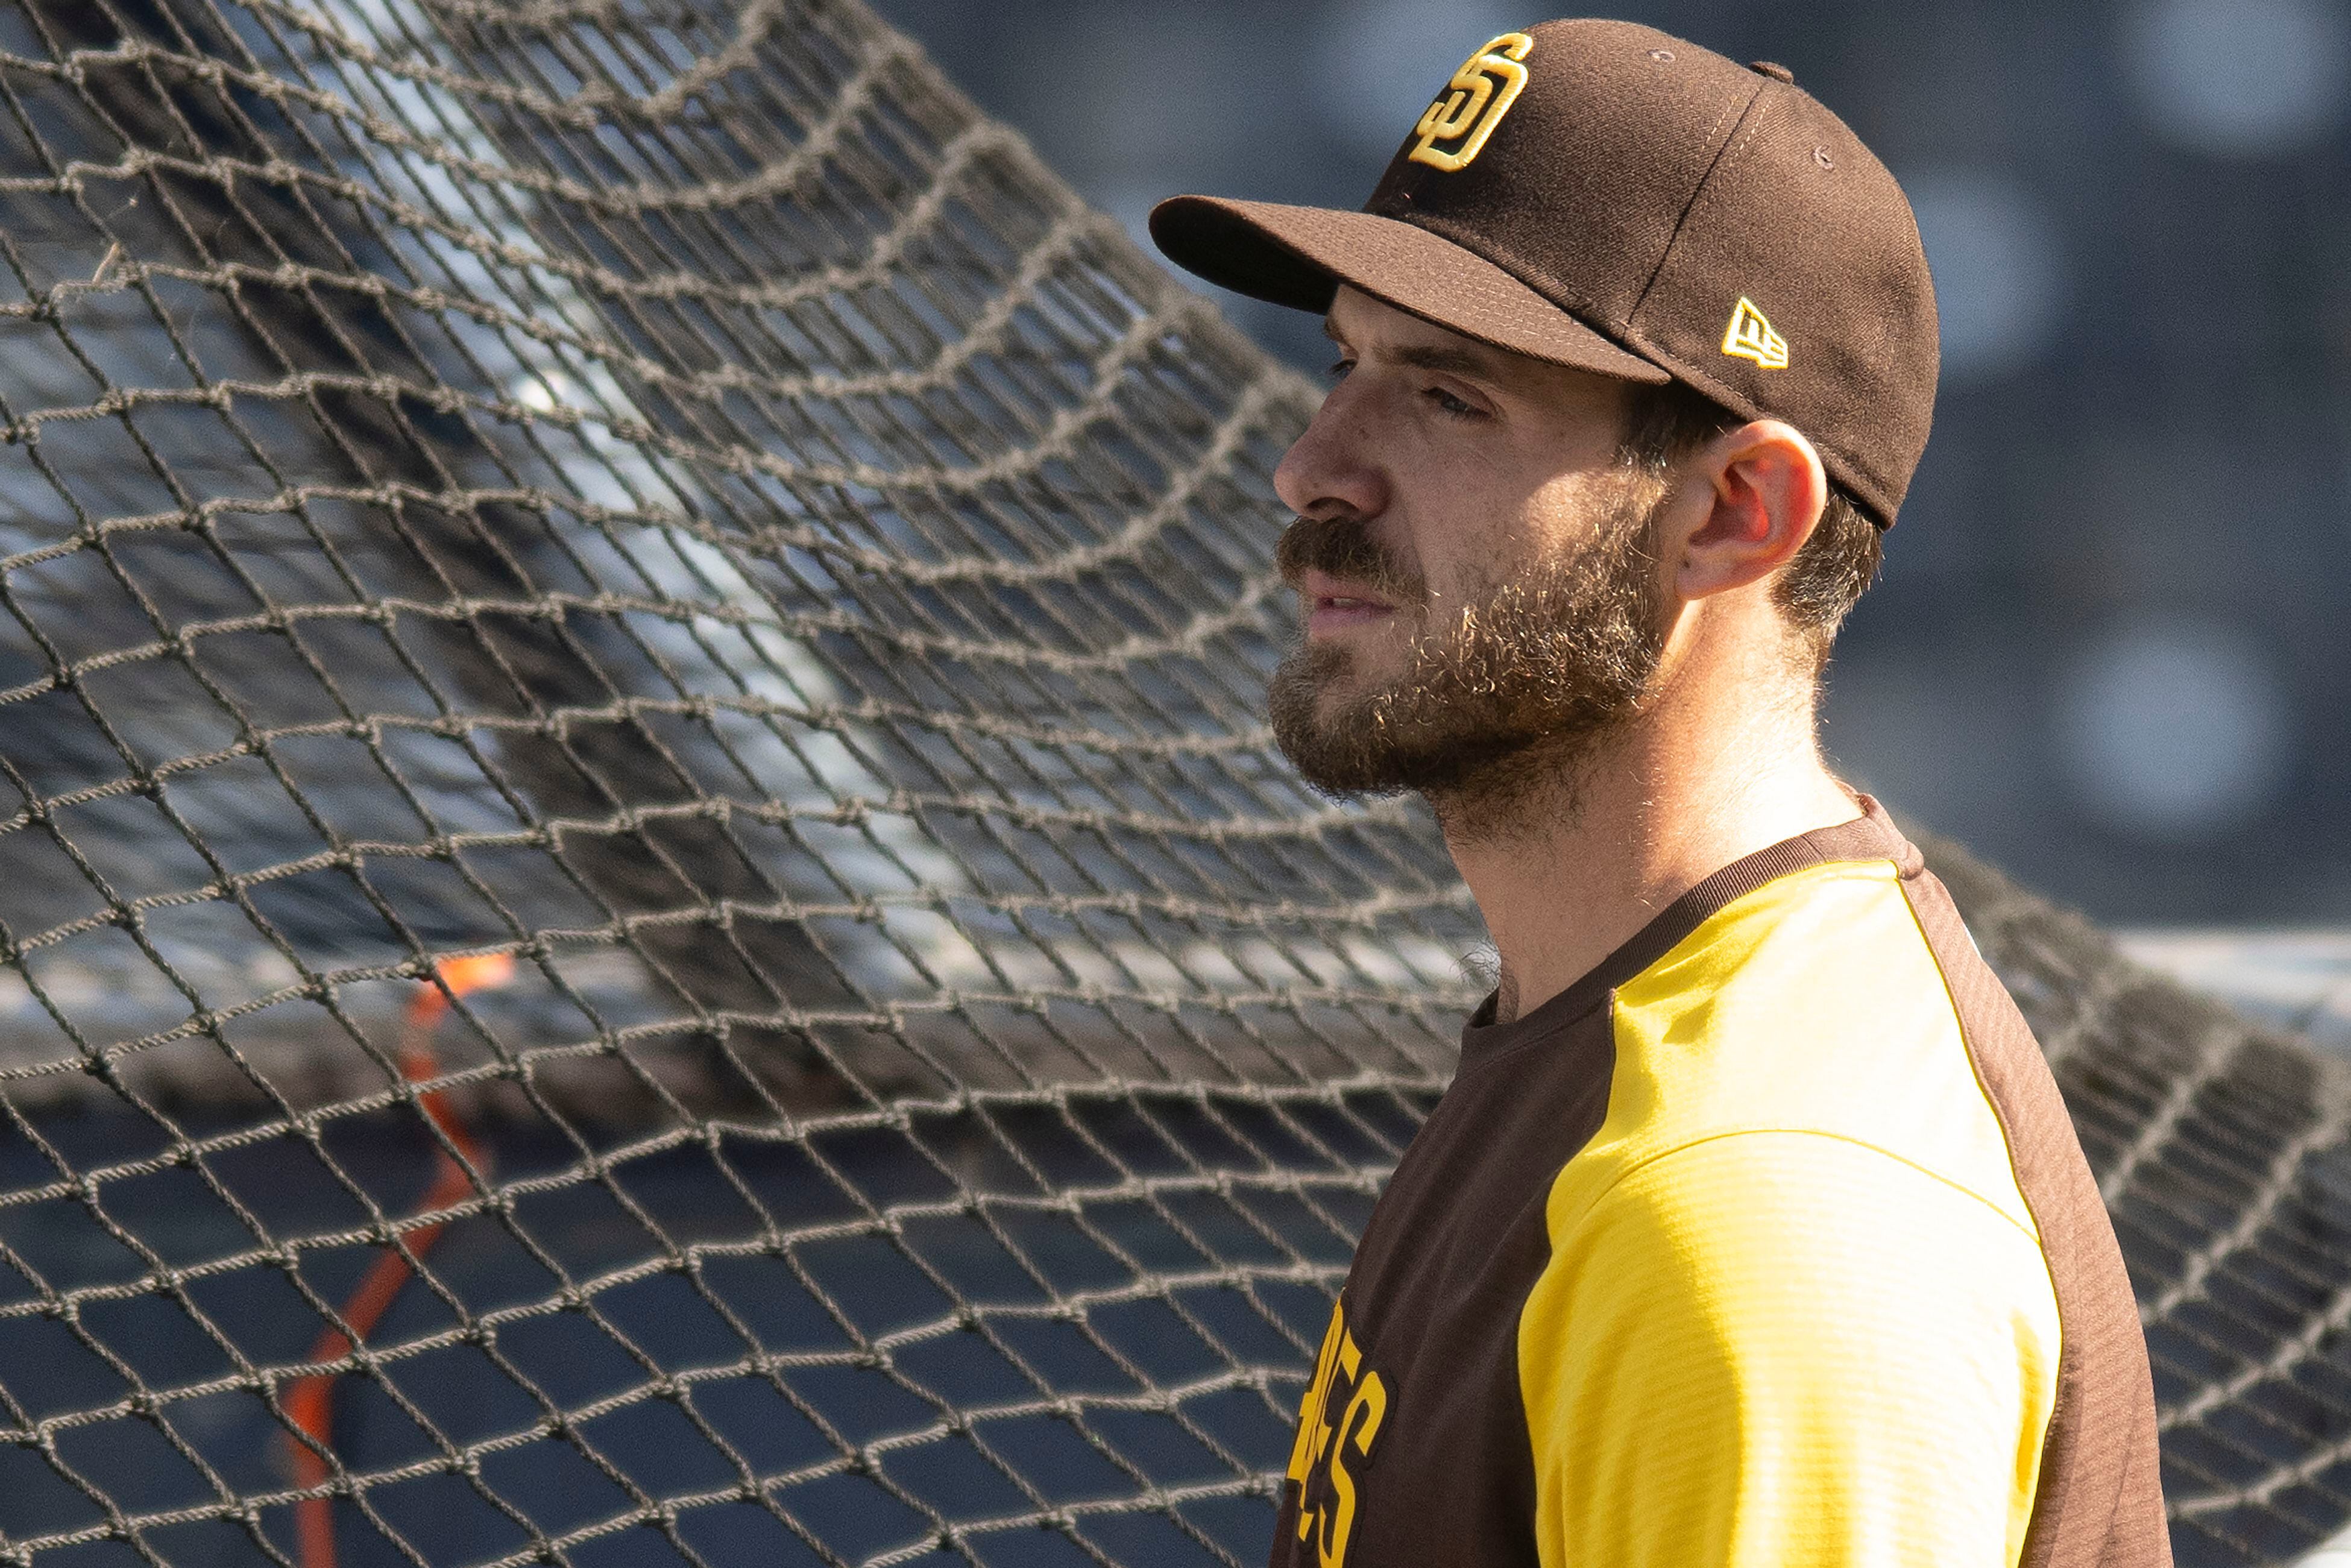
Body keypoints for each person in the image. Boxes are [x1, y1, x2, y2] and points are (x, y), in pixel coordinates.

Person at [1148, 18, 2168, 1568]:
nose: (1312, 466)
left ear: (1735, 513)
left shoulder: (1755, 1211)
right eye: (1346, 363)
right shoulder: (1629, 1018)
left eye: (1450, 398)